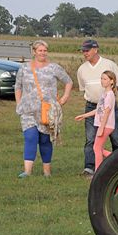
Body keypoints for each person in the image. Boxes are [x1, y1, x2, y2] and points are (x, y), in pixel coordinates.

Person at [14, 40, 72, 178]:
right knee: (30, 137)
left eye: (45, 50)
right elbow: (18, 86)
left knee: (45, 140)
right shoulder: (24, 68)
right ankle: (27, 172)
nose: (43, 53)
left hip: (47, 111)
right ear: (34, 52)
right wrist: (18, 103)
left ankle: (47, 172)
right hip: (28, 110)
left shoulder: (54, 68)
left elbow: (68, 81)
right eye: (40, 50)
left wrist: (64, 98)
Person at [77, 39, 118, 178]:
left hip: (108, 107)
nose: (85, 53)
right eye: (83, 51)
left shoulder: (109, 64)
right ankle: (89, 168)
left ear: (95, 49)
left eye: (87, 50)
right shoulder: (82, 69)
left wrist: (110, 97)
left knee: (115, 137)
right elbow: (82, 88)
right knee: (91, 138)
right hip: (92, 105)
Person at [74, 70, 118, 171]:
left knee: (96, 148)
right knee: (98, 148)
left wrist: (101, 128)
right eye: (101, 78)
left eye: (105, 79)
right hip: (103, 125)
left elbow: (107, 112)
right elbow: (98, 110)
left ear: (112, 81)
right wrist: (84, 115)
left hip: (106, 126)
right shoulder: (104, 94)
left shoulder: (110, 95)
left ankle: (98, 171)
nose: (102, 81)